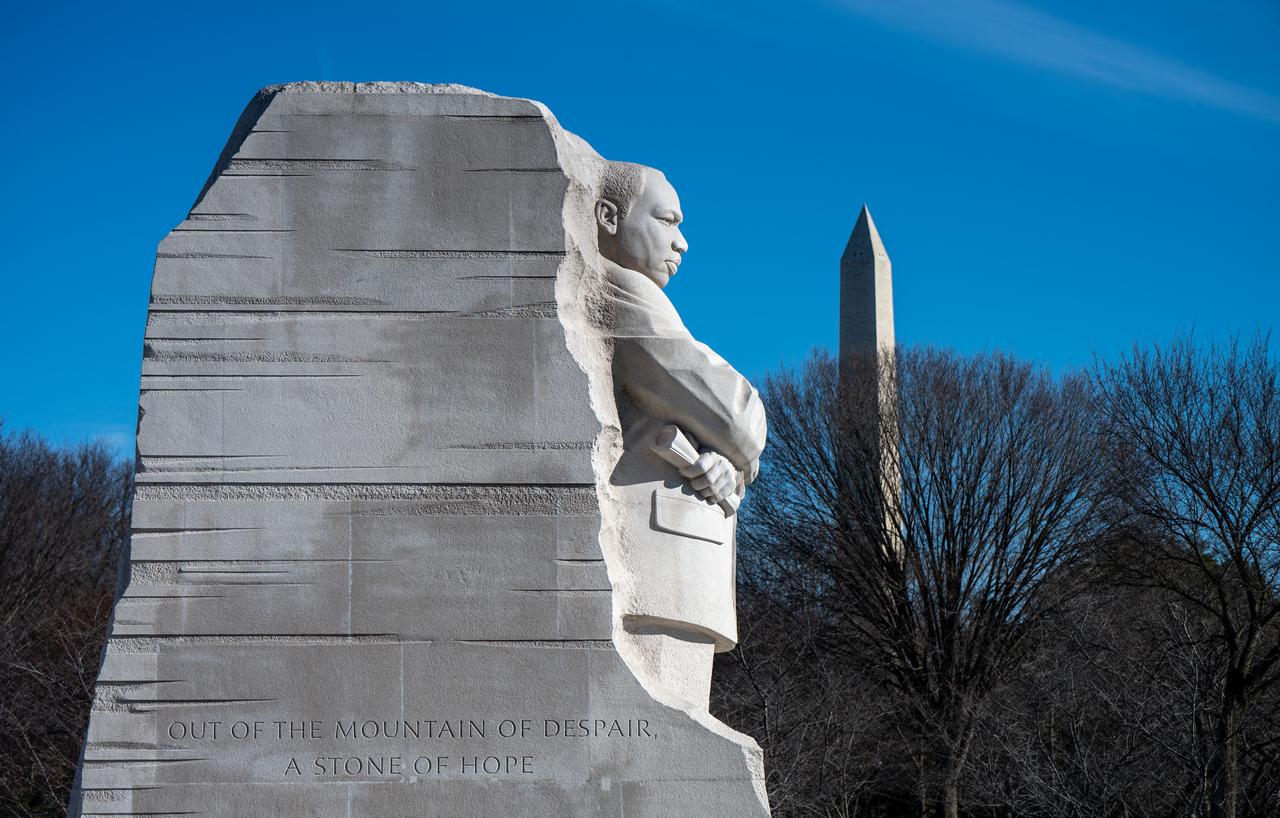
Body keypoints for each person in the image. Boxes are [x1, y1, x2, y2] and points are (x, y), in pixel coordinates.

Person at [594, 161, 767, 708]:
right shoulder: (621, 292)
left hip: (677, 549)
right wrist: (737, 441)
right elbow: (737, 416)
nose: (683, 243)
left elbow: (727, 434)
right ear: (608, 217)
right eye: (667, 221)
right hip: (658, 556)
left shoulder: (645, 302)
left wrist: (730, 462)